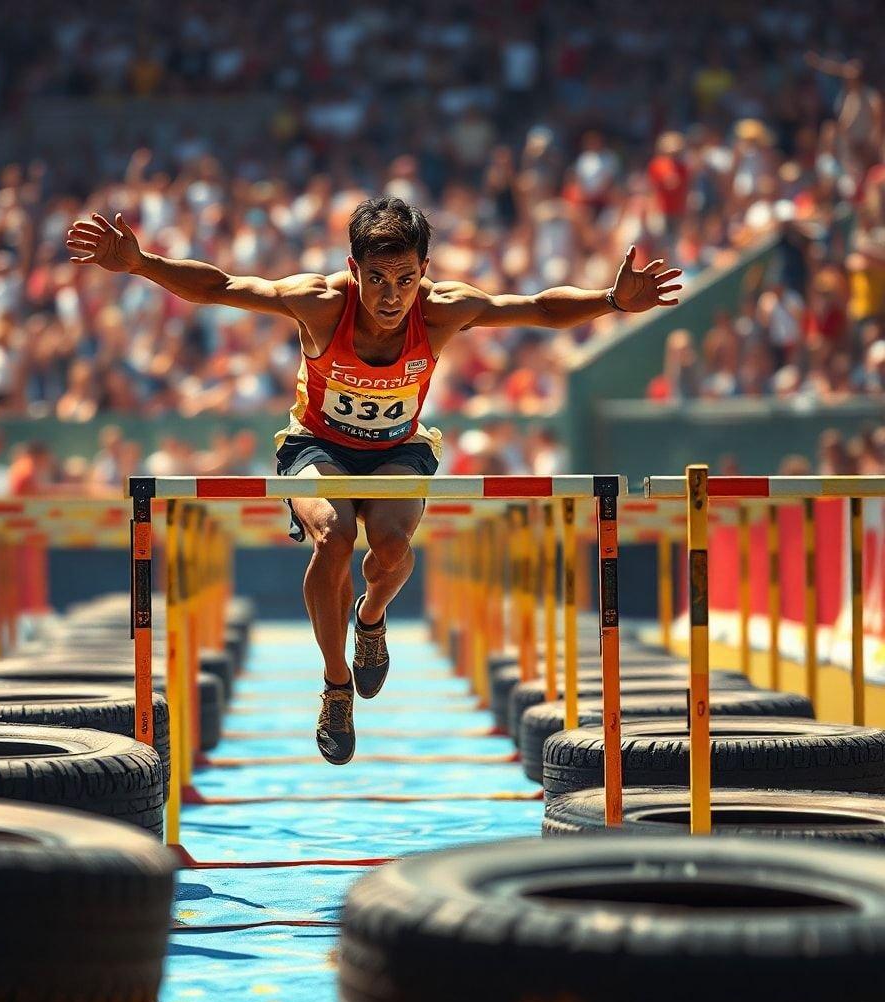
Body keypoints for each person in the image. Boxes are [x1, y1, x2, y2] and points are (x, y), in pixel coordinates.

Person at [66, 196, 682, 765]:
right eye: (379, 280)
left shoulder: (443, 310)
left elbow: (537, 309)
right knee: (332, 535)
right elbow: (224, 286)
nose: (392, 296)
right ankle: (337, 686)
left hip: (399, 450)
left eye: (406, 279)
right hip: (316, 446)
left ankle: (372, 617)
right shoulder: (319, 303)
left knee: (390, 551)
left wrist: (611, 301)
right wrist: (143, 263)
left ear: (425, 271)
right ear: (353, 270)